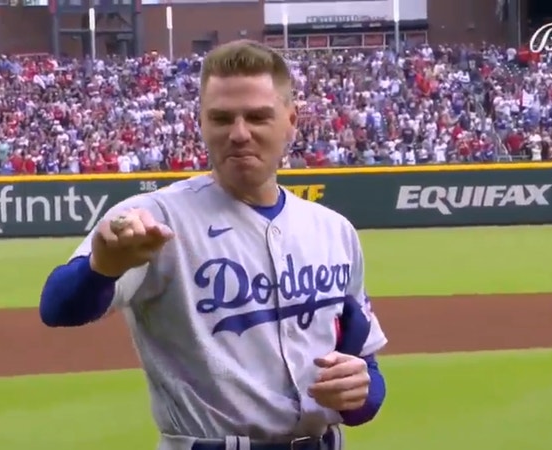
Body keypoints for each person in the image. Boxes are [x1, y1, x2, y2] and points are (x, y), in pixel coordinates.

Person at [39, 40, 388, 450]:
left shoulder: (334, 231)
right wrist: (102, 267)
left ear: (291, 121)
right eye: (222, 119)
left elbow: (363, 365)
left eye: (258, 117)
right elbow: (59, 308)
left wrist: (362, 394)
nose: (239, 134)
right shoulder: (154, 219)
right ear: (200, 123)